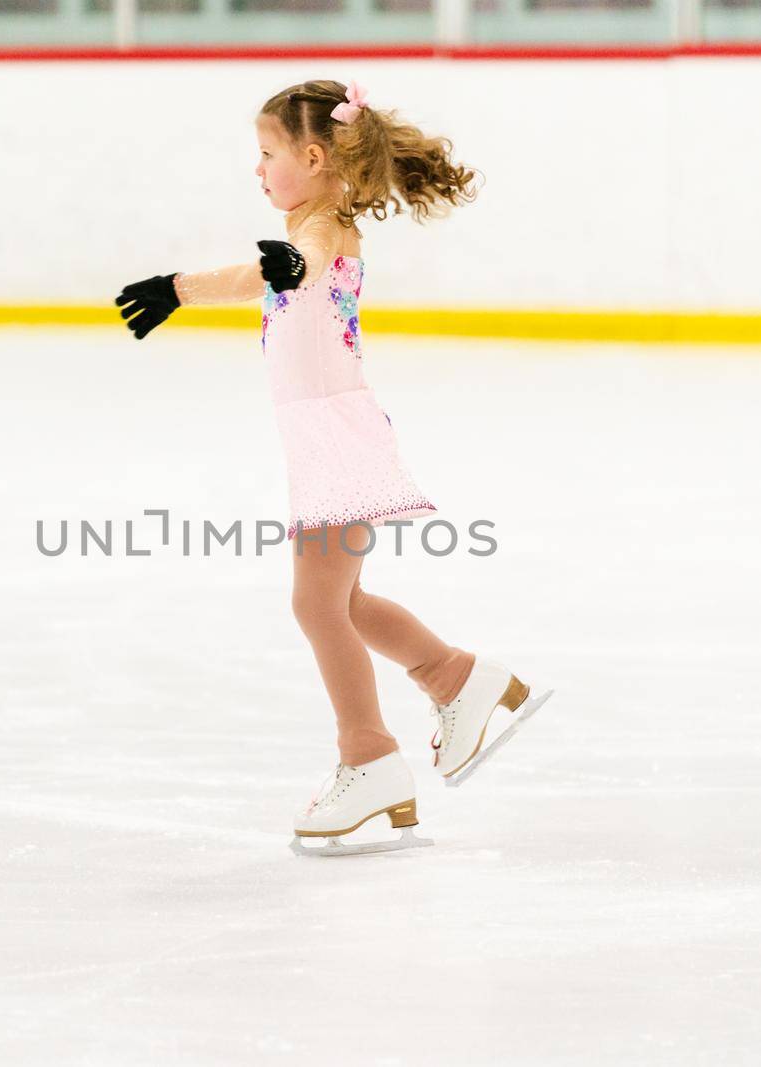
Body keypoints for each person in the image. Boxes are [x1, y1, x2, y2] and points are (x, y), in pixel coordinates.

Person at [114, 79, 548, 857]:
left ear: (312, 157)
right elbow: (275, 269)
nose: (258, 170)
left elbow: (301, 264)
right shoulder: (320, 220)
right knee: (339, 601)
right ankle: (456, 678)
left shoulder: (323, 229)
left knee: (318, 606)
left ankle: (369, 753)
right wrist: (187, 288)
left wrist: (244, 272)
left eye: (268, 154)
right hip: (329, 432)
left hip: (334, 435)